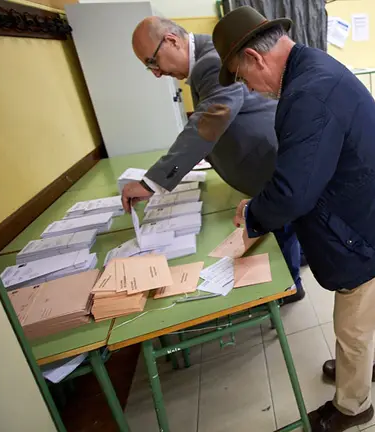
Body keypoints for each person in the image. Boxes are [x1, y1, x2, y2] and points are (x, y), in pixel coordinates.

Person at [212, 7, 375, 431]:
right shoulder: (312, 65)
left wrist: (254, 214)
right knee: (371, 308)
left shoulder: (307, 92)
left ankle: (352, 406)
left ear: (255, 58)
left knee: (353, 325)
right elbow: (307, 166)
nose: (248, 87)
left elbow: (295, 189)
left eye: (242, 76)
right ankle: (371, 364)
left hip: (367, 225)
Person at [120, 17, 304, 302]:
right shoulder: (206, 58)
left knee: (281, 223)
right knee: (286, 223)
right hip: (260, 156)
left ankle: (290, 287)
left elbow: (209, 120)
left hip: (264, 159)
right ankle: (298, 261)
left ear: (171, 41)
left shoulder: (211, 61)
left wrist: (150, 183)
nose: (156, 73)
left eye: (152, 62)